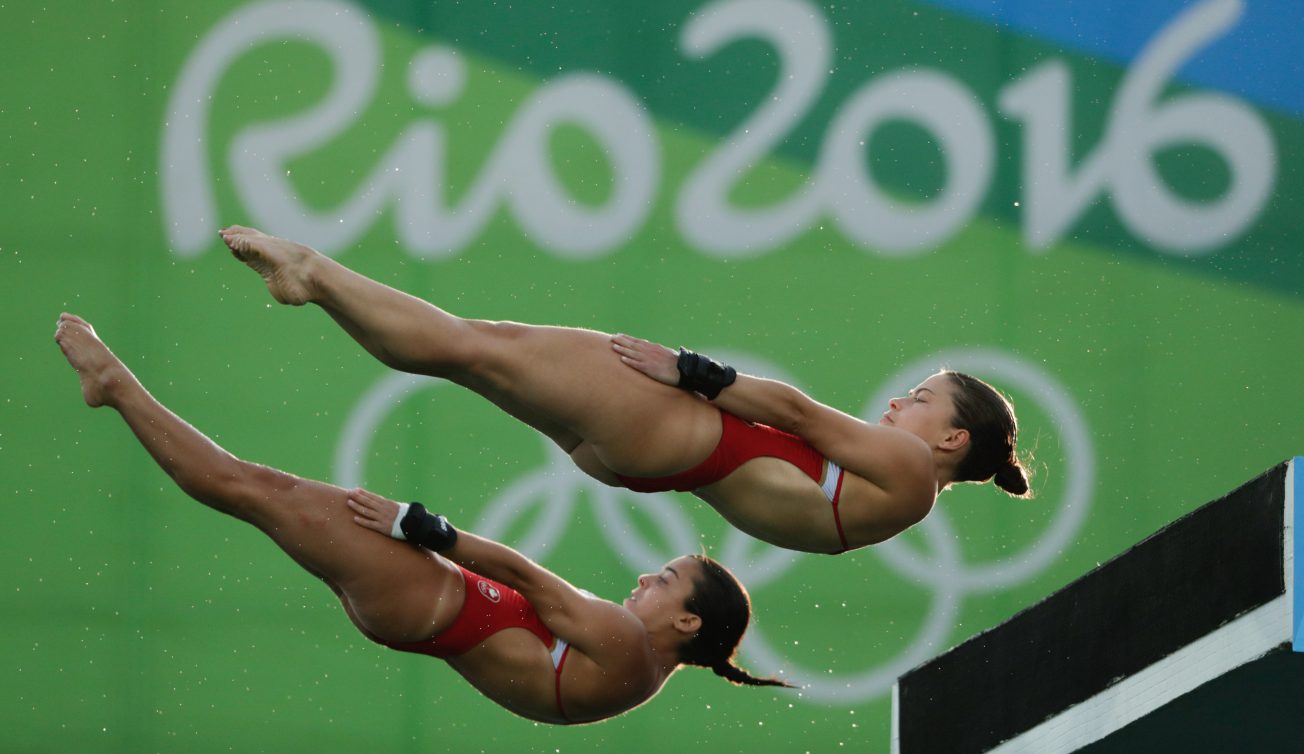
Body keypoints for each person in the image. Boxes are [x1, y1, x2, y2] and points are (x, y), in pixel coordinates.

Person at [53, 313, 789, 726]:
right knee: (258, 492)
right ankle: (117, 388)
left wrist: (420, 527)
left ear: (688, 624)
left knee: (253, 489)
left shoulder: (631, 648)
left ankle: (114, 387)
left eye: (665, 578)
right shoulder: (635, 681)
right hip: (427, 611)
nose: (644, 575)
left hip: (435, 595)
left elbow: (523, 574)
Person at [219, 226, 1031, 555]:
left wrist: (692, 371)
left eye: (921, 398)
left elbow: (792, 412)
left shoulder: (905, 468)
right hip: (647, 466)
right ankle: (316, 286)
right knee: (460, 360)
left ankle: (314, 271)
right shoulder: (894, 514)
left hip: (682, 431)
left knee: (472, 344)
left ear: (953, 438)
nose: (898, 405)